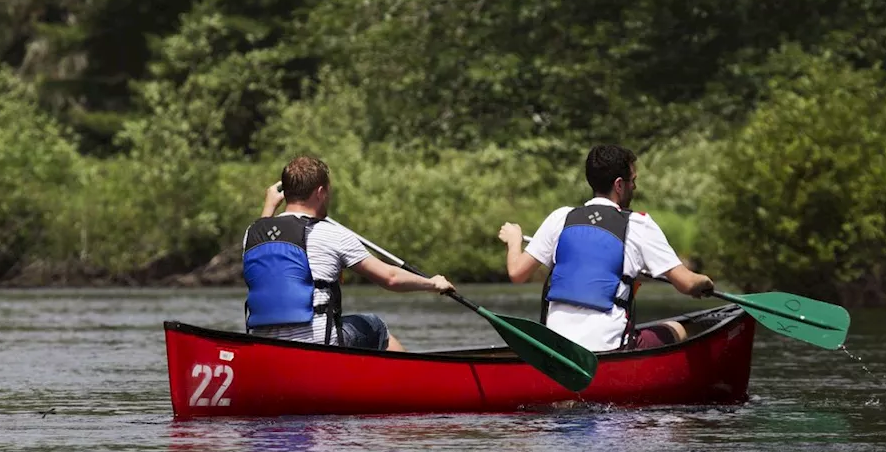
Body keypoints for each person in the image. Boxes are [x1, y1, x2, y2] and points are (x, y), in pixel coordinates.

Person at [498, 144, 714, 353]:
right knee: (678, 329)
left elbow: (517, 273)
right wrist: (705, 283)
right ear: (619, 184)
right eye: (633, 181)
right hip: (609, 349)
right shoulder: (639, 224)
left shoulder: (561, 217)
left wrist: (514, 240)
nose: (635, 187)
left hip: (557, 350)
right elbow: (687, 283)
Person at [242, 155, 453, 351]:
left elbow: (264, 236)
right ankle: (410, 382)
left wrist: (269, 205)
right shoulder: (332, 234)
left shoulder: (252, 235)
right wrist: (433, 284)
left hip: (263, 342)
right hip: (317, 342)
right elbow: (390, 278)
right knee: (375, 326)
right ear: (320, 192)